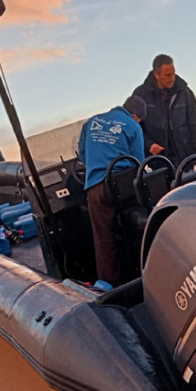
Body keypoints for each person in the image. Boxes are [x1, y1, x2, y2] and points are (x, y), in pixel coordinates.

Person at [77, 96, 147, 284]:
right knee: (133, 225)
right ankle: (141, 273)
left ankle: (109, 285)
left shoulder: (92, 122)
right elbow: (138, 162)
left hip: (96, 186)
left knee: (103, 237)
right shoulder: (133, 127)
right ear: (135, 115)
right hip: (123, 185)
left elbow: (83, 155)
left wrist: (97, 166)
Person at [132, 54, 196, 167]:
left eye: (173, 74)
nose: (172, 78)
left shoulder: (185, 92)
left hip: (186, 160)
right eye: (167, 75)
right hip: (157, 162)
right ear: (157, 74)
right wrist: (149, 144)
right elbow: (134, 126)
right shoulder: (140, 95)